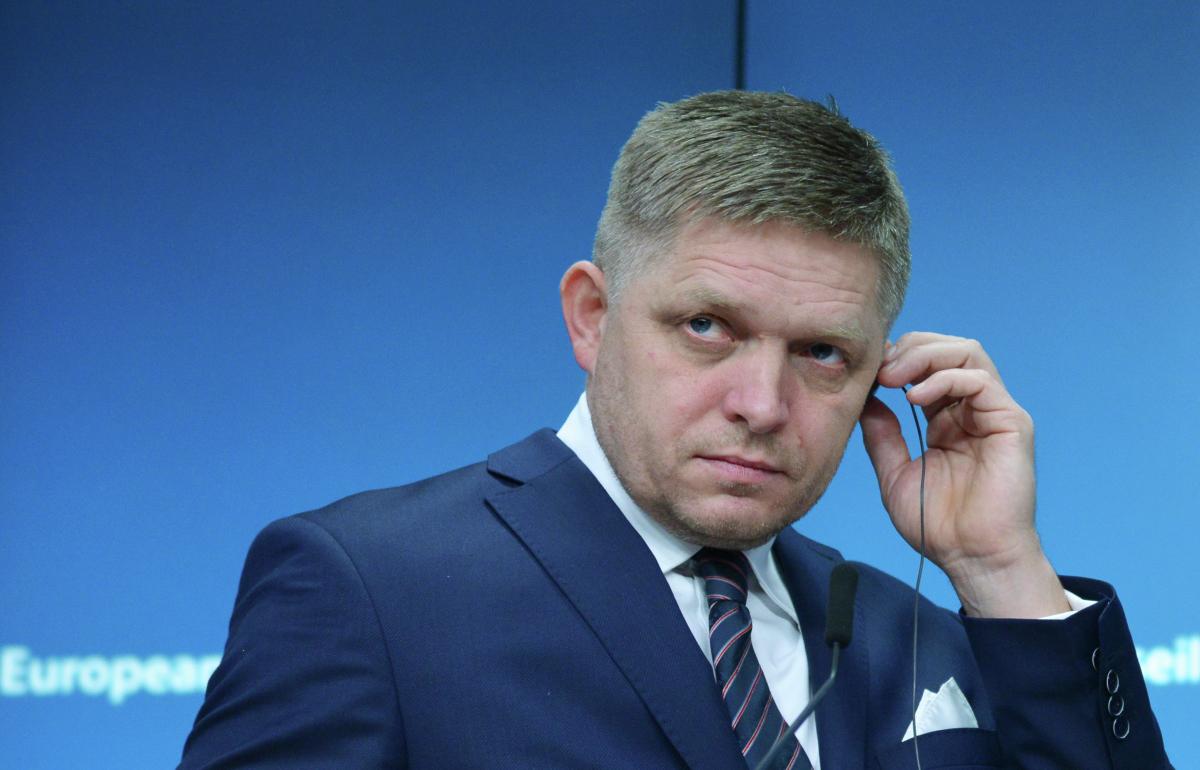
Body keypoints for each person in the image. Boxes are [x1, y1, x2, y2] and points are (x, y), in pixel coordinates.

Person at [178, 91, 1171, 769]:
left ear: (883, 372)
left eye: (823, 351)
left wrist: (1001, 569)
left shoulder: (913, 632)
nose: (762, 403)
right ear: (591, 316)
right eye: (707, 327)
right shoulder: (370, 588)